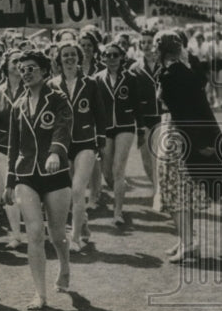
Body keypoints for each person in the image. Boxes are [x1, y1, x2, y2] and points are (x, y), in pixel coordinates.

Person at [155, 30, 222, 262]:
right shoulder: (183, 71)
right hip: (178, 132)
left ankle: (188, 242)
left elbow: (184, 113)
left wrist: (197, 143)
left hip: (179, 136)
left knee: (175, 191)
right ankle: (185, 239)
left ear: (161, 51)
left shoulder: (172, 74)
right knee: (178, 191)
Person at [6, 50, 74, 310]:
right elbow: (13, 146)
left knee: (57, 234)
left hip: (55, 175)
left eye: (32, 68)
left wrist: (56, 152)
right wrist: (10, 181)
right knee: (34, 233)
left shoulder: (58, 99)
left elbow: (64, 126)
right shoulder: (17, 105)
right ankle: (40, 294)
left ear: (45, 71)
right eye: (22, 69)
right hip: (27, 174)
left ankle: (65, 265)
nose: (26, 73)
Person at [51, 41, 107, 251]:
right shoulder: (53, 84)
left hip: (85, 142)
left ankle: (74, 238)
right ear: (59, 59)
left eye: (73, 55)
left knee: (77, 189)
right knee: (68, 191)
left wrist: (100, 140)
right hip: (64, 145)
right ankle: (83, 227)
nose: (69, 58)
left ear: (79, 57)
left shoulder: (90, 83)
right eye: (65, 55)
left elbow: (100, 114)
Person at [93, 42, 142, 227]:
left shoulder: (130, 77)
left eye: (115, 55)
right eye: (108, 55)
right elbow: (94, 108)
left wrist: (142, 128)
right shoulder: (97, 79)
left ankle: (118, 212)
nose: (112, 59)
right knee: (107, 171)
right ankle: (119, 191)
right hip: (105, 128)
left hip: (125, 125)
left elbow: (137, 104)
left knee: (118, 168)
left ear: (122, 57)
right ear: (103, 58)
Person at [0, 49, 26, 250]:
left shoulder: (31, 89)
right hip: (3, 150)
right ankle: (16, 236)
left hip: (28, 150)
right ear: (6, 65)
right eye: (15, 61)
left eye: (22, 61)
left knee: (26, 193)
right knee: (9, 192)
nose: (19, 64)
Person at [129, 30, 163, 209]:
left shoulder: (164, 65)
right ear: (139, 45)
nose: (147, 45)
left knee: (158, 155)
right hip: (142, 118)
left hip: (161, 116)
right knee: (146, 159)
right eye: (143, 42)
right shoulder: (135, 68)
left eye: (150, 42)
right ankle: (156, 185)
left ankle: (159, 191)